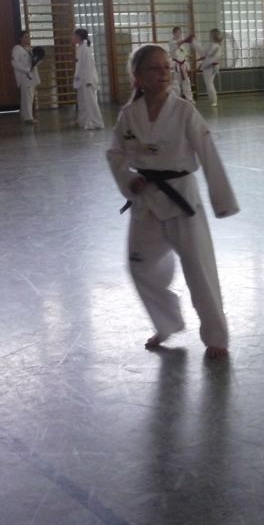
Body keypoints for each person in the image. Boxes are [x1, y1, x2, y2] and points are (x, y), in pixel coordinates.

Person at [106, 44, 239, 359]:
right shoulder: (129, 114)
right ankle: (166, 323)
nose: (164, 73)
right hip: (146, 200)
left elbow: (208, 153)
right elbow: (115, 153)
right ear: (138, 75)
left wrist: (222, 200)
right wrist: (128, 179)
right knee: (140, 267)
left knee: (199, 269)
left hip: (182, 200)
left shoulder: (183, 110)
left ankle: (216, 336)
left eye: (166, 67)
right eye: (155, 68)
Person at [73, 28, 104, 130]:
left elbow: (89, 66)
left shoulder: (85, 49)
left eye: (74, 36)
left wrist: (89, 81)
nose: (73, 38)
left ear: (79, 37)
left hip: (87, 80)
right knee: (82, 102)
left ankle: (97, 122)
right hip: (81, 79)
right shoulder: (80, 48)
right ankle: (83, 120)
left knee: (90, 102)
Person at [11, 31, 40, 124]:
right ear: (20, 38)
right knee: (27, 98)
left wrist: (38, 60)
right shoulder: (17, 49)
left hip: (32, 76)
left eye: (28, 37)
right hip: (24, 77)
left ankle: (25, 116)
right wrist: (26, 69)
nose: (27, 38)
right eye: (25, 37)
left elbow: (33, 62)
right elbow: (14, 63)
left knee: (29, 97)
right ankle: (28, 118)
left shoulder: (29, 48)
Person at [192, 29, 224, 107]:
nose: (209, 36)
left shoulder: (215, 45)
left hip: (211, 66)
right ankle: (213, 100)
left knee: (209, 84)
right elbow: (206, 54)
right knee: (209, 84)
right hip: (211, 65)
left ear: (213, 36)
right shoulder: (215, 45)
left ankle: (214, 100)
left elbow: (206, 54)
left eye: (210, 34)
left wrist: (201, 60)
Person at [168, 26, 195, 104]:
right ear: (174, 33)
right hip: (176, 66)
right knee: (176, 83)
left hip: (183, 65)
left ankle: (189, 99)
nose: (179, 34)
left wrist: (189, 56)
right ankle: (176, 100)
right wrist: (186, 40)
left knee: (186, 82)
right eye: (177, 33)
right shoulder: (171, 42)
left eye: (180, 33)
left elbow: (184, 53)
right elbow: (178, 44)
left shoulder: (182, 43)